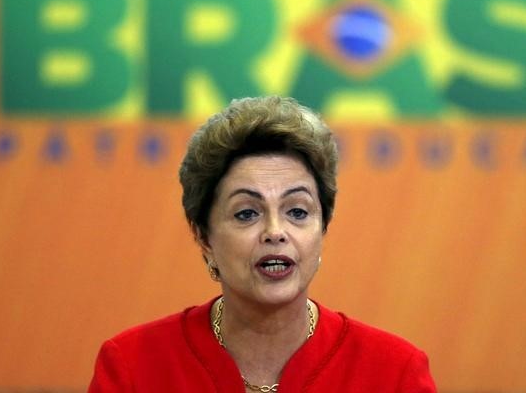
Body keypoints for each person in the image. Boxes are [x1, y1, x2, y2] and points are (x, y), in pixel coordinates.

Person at [88, 96, 436, 392]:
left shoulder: (394, 373)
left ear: (323, 229)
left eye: (297, 211)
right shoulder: (132, 368)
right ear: (203, 236)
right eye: (246, 214)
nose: (275, 232)